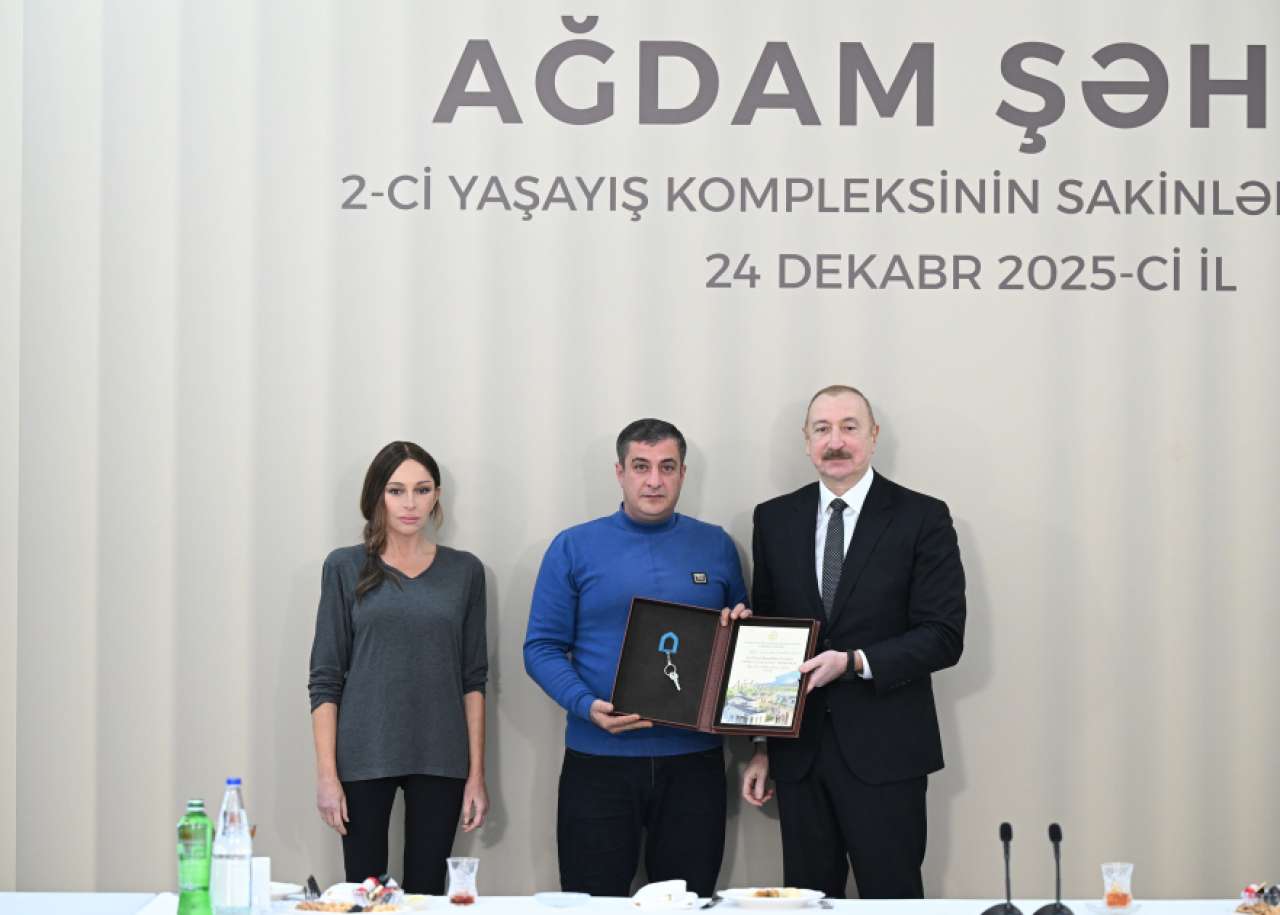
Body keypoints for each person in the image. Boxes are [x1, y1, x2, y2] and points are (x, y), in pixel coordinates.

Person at [741, 385, 965, 899]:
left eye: (849, 427)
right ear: (806, 441)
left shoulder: (922, 517)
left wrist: (854, 662)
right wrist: (762, 746)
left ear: (873, 436)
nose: (835, 441)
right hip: (799, 755)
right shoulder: (773, 519)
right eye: (822, 429)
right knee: (805, 901)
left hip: (888, 752)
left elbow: (944, 635)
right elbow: (769, 634)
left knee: (892, 899)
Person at [524, 418, 750, 898]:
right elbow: (540, 647)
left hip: (695, 764)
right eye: (641, 466)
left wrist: (742, 633)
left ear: (683, 473)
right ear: (620, 472)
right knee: (592, 903)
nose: (654, 480)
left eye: (667, 467)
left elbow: (742, 644)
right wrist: (586, 706)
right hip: (598, 761)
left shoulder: (716, 545)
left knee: (688, 903)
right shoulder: (573, 546)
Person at [308, 441, 489, 893]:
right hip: (364, 752)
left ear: (436, 496)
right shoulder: (345, 567)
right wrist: (327, 776)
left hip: (441, 754)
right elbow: (325, 678)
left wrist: (476, 775)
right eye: (396, 491)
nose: (410, 503)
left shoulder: (465, 571)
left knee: (427, 893)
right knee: (365, 893)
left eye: (422, 490)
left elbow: (473, 679)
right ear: (377, 496)